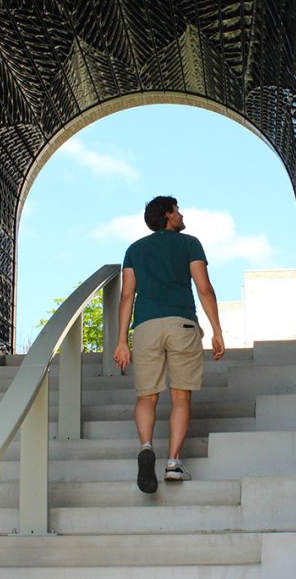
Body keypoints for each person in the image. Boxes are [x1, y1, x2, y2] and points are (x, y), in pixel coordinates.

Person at [114, 195, 225, 494]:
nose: (182, 214)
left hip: (147, 326)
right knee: (180, 397)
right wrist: (216, 330)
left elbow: (127, 296)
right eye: (178, 210)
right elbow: (204, 288)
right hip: (182, 324)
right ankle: (173, 462)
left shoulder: (134, 250)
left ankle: (147, 446)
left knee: (147, 396)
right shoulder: (190, 243)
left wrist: (122, 341)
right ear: (168, 215)